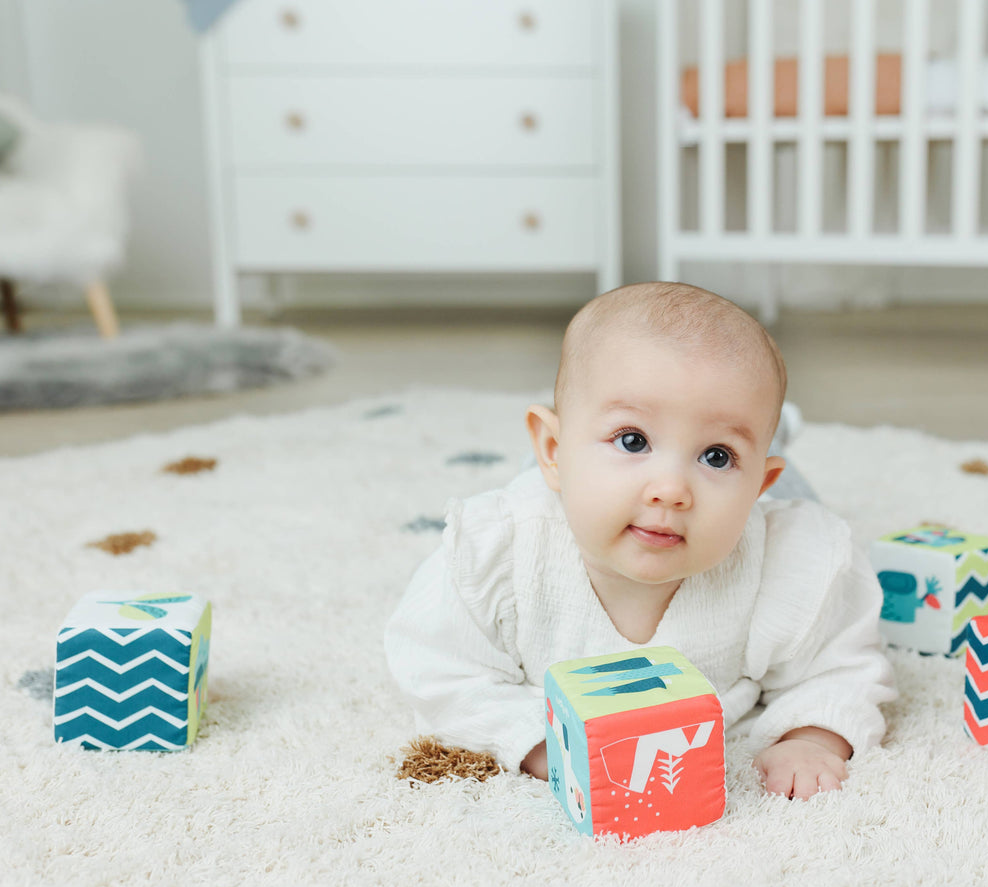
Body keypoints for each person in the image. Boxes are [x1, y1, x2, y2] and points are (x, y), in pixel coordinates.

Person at [384, 282, 895, 800]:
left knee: (798, 496)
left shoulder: (785, 561)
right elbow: (438, 665)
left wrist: (810, 737)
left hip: (753, 500)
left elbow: (841, 665)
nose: (671, 490)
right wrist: (539, 742)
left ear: (759, 486)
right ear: (553, 449)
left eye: (716, 455)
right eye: (633, 440)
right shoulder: (503, 547)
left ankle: (767, 438)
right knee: (568, 486)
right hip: (562, 491)